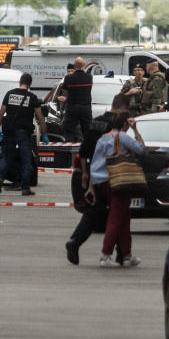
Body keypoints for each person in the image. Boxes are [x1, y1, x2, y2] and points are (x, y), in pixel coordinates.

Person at [64, 93, 130, 265]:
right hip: (113, 175)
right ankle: (119, 252)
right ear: (123, 108)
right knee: (116, 213)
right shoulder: (116, 127)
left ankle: (77, 242)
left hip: (95, 174)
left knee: (98, 212)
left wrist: (86, 175)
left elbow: (84, 152)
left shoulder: (95, 122)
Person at [89, 111, 145, 268]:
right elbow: (141, 149)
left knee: (123, 217)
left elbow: (94, 163)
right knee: (115, 218)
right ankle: (105, 255)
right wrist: (136, 130)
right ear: (125, 124)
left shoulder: (103, 138)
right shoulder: (123, 136)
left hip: (102, 182)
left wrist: (91, 186)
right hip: (119, 181)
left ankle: (127, 255)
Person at [0, 73, 47, 196]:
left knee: (7, 157)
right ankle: (25, 188)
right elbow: (40, 118)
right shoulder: (32, 97)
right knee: (26, 160)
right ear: (30, 84)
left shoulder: (10, 94)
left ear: (20, 81)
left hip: (9, 131)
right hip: (23, 132)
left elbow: (1, 113)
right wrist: (44, 134)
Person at [60, 56, 93, 141]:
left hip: (72, 107)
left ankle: (69, 151)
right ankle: (87, 150)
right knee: (87, 130)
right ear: (84, 65)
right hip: (86, 108)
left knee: (69, 131)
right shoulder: (89, 77)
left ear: (74, 66)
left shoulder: (68, 78)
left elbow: (65, 91)